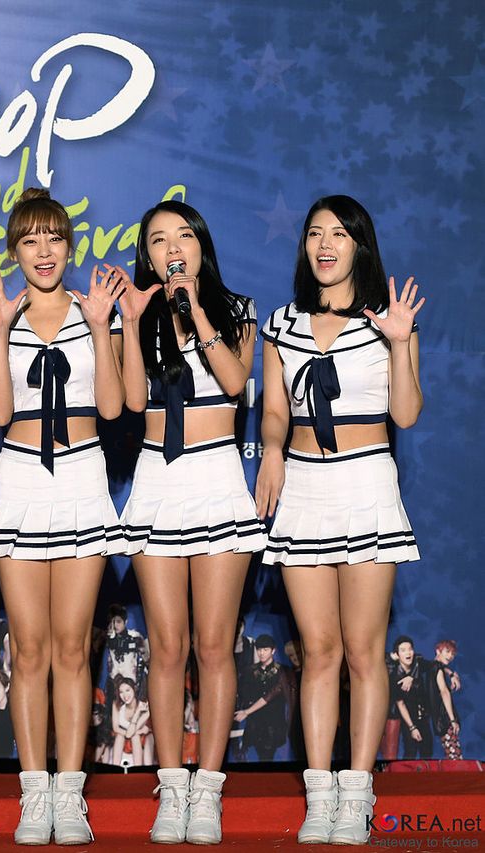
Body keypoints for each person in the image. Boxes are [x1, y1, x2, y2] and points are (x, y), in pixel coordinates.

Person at [256, 195, 423, 844]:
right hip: (304, 491)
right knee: (319, 650)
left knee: (362, 651)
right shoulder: (282, 323)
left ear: (360, 245)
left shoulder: (387, 320)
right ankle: (320, 794)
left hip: (367, 485)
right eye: (314, 234)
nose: (325, 244)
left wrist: (400, 344)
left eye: (338, 234)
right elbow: (275, 409)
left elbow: (405, 414)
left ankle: (357, 792)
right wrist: (273, 450)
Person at [0, 187, 125, 846]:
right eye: (30, 239)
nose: (43, 251)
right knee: (28, 647)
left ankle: (71, 791)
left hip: (84, 476)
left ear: (69, 245)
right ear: (14, 250)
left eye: (54, 238)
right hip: (22, 481)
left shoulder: (96, 313)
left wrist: (101, 326)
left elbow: (113, 408)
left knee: (71, 646)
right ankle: (35, 792)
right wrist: (1, 331)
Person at [118, 199, 264, 844]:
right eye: (158, 240)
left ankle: (208, 788)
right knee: (168, 646)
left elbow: (233, 381)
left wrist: (196, 310)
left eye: (183, 236)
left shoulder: (238, 310)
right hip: (157, 479)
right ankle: (171, 784)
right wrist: (129, 322)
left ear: (202, 245)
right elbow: (130, 401)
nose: (172, 247)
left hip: (217, 478)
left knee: (213, 645)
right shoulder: (137, 313)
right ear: (146, 255)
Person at [235, 635, 290, 761]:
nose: (261, 653)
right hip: (254, 722)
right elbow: (244, 692)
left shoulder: (282, 671)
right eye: (259, 650)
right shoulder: (250, 671)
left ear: (273, 651)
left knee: (267, 756)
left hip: (274, 722)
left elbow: (273, 695)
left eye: (265, 650)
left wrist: (247, 711)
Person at [111, 676, 154, 767]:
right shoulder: (116, 704)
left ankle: (138, 768)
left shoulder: (143, 706)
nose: (125, 695)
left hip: (139, 738)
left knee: (135, 737)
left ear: (134, 689)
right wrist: (137, 731)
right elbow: (116, 728)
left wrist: (137, 712)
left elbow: (132, 732)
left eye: (127, 690)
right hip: (124, 735)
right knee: (120, 736)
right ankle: (115, 768)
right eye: (121, 692)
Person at [431, 640, 462, 759]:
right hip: (444, 718)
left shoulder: (432, 667)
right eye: (447, 651)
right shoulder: (436, 668)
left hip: (438, 718)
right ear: (438, 651)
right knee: (454, 756)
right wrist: (452, 720)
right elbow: (444, 692)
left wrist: (451, 674)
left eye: (453, 654)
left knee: (452, 754)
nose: (450, 656)